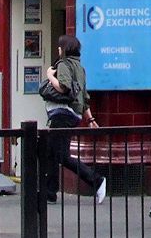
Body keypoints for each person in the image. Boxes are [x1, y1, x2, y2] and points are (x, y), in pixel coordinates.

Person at [39, 34, 106, 205]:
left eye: (59, 47)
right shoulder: (80, 68)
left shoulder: (63, 64)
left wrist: (49, 76)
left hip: (62, 114)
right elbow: (84, 96)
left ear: (64, 49)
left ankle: (96, 180)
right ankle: (49, 192)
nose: (58, 49)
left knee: (61, 155)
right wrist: (90, 119)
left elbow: (64, 87)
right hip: (73, 115)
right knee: (51, 154)